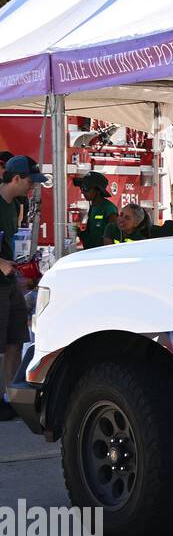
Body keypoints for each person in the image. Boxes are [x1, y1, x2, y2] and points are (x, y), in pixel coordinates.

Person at [0, 156, 48, 421]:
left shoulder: (14, 205)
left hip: (10, 284)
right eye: (30, 181)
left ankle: (11, 397)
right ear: (16, 178)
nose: (33, 187)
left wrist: (21, 267)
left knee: (15, 341)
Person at [72, 171, 117, 250]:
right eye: (81, 188)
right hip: (90, 253)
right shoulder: (93, 207)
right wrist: (78, 231)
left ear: (98, 191)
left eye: (86, 188)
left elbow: (115, 235)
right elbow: (91, 236)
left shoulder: (109, 208)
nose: (82, 191)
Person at [105, 203, 173, 242]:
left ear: (136, 223)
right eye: (121, 215)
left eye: (127, 218)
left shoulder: (144, 235)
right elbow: (108, 251)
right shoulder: (111, 228)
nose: (121, 219)